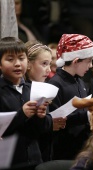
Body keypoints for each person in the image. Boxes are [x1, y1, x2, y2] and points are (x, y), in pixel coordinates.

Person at [0, 37, 51, 169]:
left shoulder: (34, 89)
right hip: (9, 162)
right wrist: (22, 114)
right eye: (10, 59)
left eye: (21, 58)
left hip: (35, 159)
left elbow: (43, 129)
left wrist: (41, 116)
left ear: (27, 62)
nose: (17, 64)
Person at [48, 34, 93, 160]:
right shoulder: (55, 83)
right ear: (75, 61)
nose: (91, 66)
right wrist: (87, 116)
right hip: (66, 151)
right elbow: (56, 120)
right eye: (89, 61)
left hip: (83, 147)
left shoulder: (79, 81)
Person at [25, 40, 63, 162]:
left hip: (45, 151)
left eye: (49, 64)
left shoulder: (45, 87)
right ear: (29, 64)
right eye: (44, 64)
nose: (48, 70)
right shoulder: (24, 90)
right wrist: (50, 122)